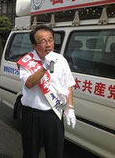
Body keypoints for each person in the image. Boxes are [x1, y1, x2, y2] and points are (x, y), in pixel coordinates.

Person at [17, 25, 76, 158]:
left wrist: (70, 107)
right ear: (34, 45)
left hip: (54, 114)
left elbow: (69, 84)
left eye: (51, 40)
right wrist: (44, 67)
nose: (48, 44)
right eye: (43, 41)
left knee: (55, 152)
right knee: (30, 152)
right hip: (32, 115)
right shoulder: (27, 61)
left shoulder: (60, 59)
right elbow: (29, 84)